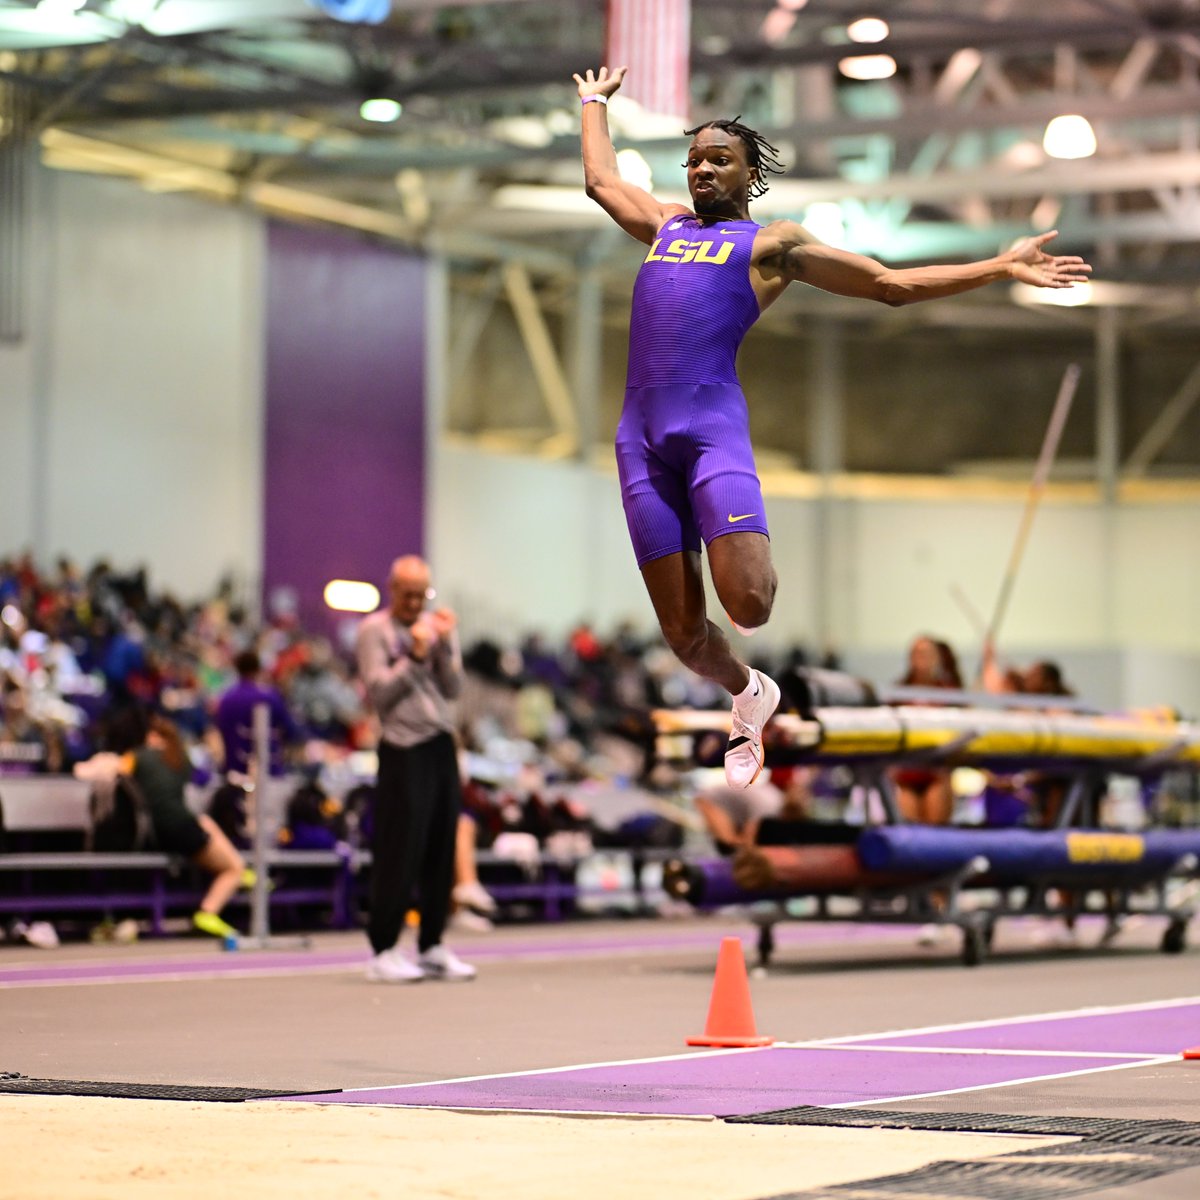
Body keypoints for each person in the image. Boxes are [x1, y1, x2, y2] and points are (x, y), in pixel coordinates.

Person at [573, 64, 1092, 794]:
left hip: (709, 430)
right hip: (640, 441)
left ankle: (735, 536)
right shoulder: (662, 227)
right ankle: (750, 695)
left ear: (750, 174)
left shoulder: (772, 247)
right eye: (693, 159)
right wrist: (594, 103)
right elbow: (600, 181)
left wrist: (1000, 266)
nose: (701, 169)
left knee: (748, 604)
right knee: (687, 640)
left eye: (719, 158)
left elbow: (888, 285)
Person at [355, 555, 475, 982]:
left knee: (442, 850)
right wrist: (414, 656)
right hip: (402, 748)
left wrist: (447, 644)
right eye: (406, 594)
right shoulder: (375, 630)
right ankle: (383, 949)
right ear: (392, 590)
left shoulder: (434, 624)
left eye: (420, 594)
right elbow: (379, 692)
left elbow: (454, 688)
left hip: (441, 745)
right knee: (399, 849)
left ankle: (432, 944)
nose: (414, 602)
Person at [74, 709, 247, 941]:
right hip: (181, 827)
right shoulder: (181, 759)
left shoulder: (138, 756)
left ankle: (227, 891)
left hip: (163, 830)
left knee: (221, 850)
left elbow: (91, 771)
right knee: (230, 863)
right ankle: (222, 898)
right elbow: (203, 781)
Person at [214, 649, 298, 778]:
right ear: (258, 669)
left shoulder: (226, 700)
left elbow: (221, 732)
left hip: (234, 771)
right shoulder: (270, 697)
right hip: (270, 771)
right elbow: (291, 730)